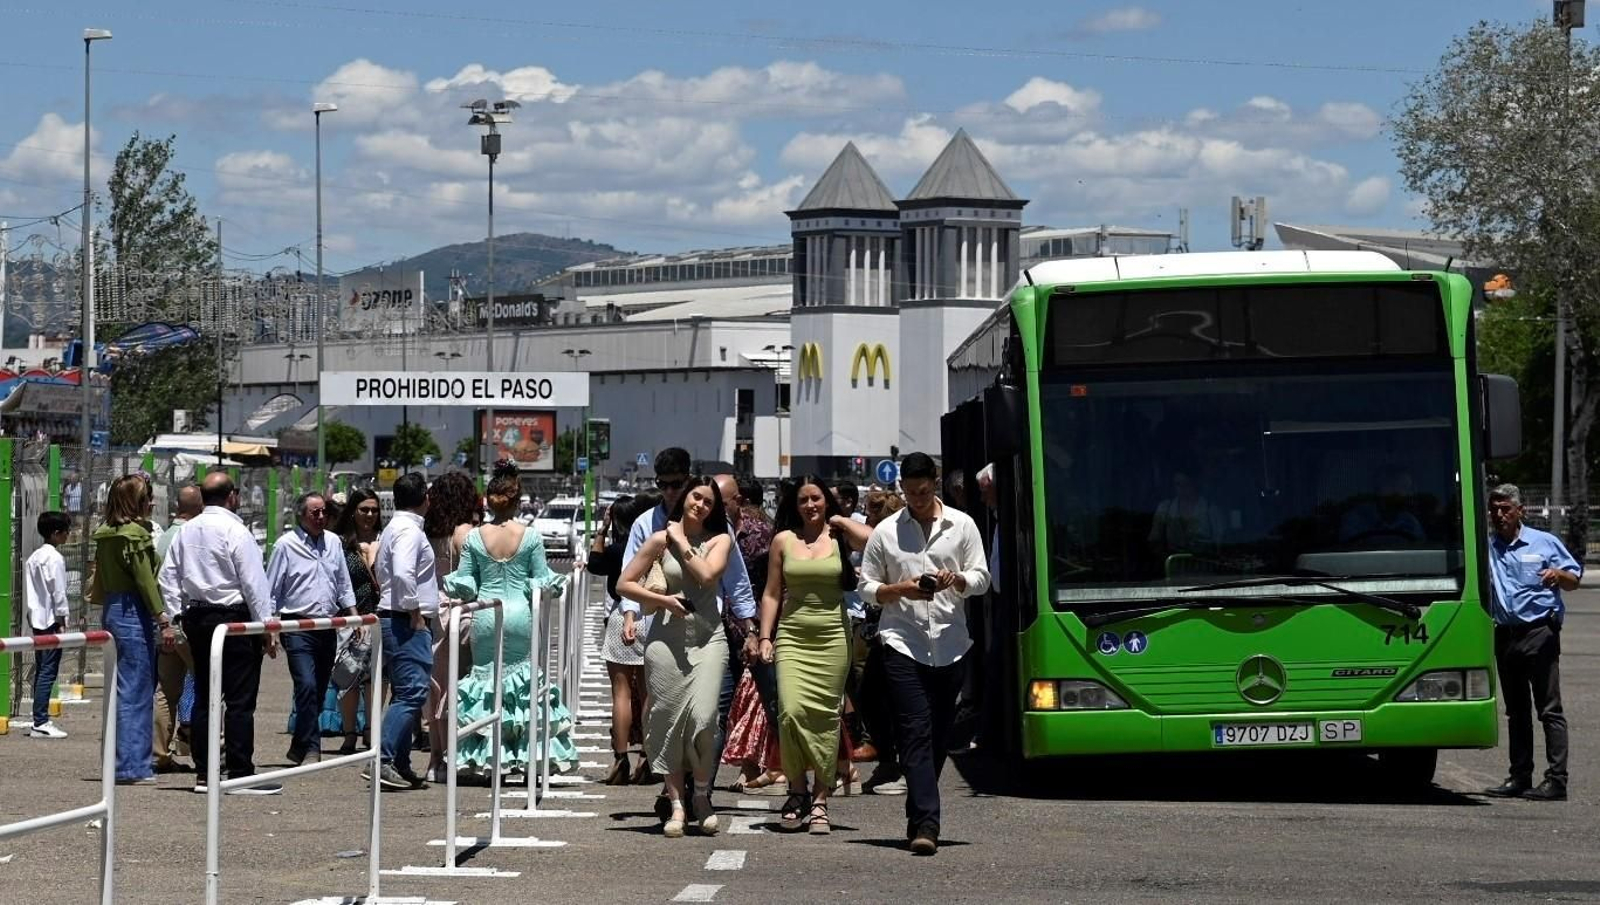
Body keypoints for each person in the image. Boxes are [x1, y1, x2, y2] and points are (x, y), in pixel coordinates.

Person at [860, 452, 990, 855]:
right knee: (914, 732)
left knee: (936, 738)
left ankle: (919, 809)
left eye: (923, 491)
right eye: (909, 492)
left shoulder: (962, 525)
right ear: (901, 487)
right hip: (903, 641)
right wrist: (901, 589)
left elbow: (983, 578)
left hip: (951, 644)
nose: (916, 499)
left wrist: (959, 580)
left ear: (933, 484)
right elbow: (866, 586)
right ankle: (927, 825)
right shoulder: (885, 532)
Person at [619, 449, 759, 820]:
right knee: (664, 717)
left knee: (704, 717)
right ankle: (677, 801)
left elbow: (726, 580)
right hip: (663, 637)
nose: (697, 503)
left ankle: (701, 792)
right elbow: (626, 581)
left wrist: (750, 628)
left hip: (709, 637)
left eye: (707, 500)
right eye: (693, 496)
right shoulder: (649, 529)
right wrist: (642, 609)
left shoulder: (719, 537)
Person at [444, 461, 572, 778]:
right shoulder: (529, 537)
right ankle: (526, 756)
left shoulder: (474, 537)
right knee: (524, 684)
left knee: (485, 682)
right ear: (517, 499)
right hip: (520, 615)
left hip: (486, 613)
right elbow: (543, 580)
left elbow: (467, 584)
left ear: (488, 500)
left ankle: (490, 757)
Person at [158, 473, 279, 794]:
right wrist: (266, 627)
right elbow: (254, 583)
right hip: (234, 619)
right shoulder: (236, 531)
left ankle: (204, 772)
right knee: (240, 699)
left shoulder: (187, 531)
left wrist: (175, 615)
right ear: (233, 496)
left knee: (205, 696)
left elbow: (168, 577)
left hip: (197, 617)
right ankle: (240, 771)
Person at [757, 476, 862, 834]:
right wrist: (766, 636)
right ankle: (796, 788)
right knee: (790, 712)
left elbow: (876, 542)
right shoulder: (783, 541)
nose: (810, 506)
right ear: (794, 505)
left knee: (826, 719)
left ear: (827, 501)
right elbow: (772, 593)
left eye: (816, 498)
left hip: (833, 637)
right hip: (793, 636)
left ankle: (819, 799)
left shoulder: (838, 536)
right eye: (803, 500)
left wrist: (843, 521)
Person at [1483, 484, 1580, 802]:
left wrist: (1557, 574)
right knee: (1517, 711)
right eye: (1494, 508)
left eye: (1505, 508)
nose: (1499, 514)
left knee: (1549, 709)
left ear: (1520, 510)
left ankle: (1557, 780)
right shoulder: (1487, 548)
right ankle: (1520, 775)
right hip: (1505, 635)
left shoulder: (1544, 542)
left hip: (1540, 633)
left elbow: (1574, 580)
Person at [267, 492, 358, 765]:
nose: (320, 518)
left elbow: (343, 582)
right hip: (297, 626)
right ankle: (311, 748)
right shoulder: (286, 545)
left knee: (318, 690)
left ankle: (299, 743)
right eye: (314, 513)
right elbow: (272, 589)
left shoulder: (333, 543)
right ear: (301, 515)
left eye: (323, 513)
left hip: (327, 625)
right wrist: (271, 628)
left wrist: (354, 616)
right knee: (305, 685)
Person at [92, 476, 171, 784]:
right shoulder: (135, 534)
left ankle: (120, 760)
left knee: (121, 689)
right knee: (137, 691)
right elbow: (145, 580)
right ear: (136, 501)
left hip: (112, 607)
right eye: (147, 497)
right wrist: (162, 617)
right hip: (133, 610)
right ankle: (133, 765)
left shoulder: (106, 533)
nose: (151, 503)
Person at [372, 472, 437, 790]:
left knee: (404, 692)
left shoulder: (393, 528)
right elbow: (402, 573)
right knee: (413, 691)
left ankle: (399, 761)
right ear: (424, 498)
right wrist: (416, 614)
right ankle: (382, 760)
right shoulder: (408, 531)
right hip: (405, 619)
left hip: (395, 615)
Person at [587, 493, 652, 784]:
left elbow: (594, 563)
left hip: (619, 615)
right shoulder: (650, 547)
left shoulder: (615, 550)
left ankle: (620, 758)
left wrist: (602, 529)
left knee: (621, 693)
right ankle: (648, 757)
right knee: (649, 693)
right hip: (650, 616)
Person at [858, 489, 907, 793]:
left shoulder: (889, 536)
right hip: (879, 627)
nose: (865, 516)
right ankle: (889, 761)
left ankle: (901, 766)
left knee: (895, 698)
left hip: (899, 628)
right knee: (870, 694)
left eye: (870, 511)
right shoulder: (883, 536)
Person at [152, 484, 202, 773]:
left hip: (164, 622)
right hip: (187, 621)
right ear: (198, 507)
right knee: (208, 683)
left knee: (165, 690)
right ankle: (206, 749)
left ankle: (159, 753)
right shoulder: (191, 537)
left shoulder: (164, 537)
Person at [329, 488, 383, 754]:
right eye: (364, 509)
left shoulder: (386, 540)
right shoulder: (338, 543)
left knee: (376, 678)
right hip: (348, 618)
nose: (370, 515)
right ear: (352, 512)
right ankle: (349, 733)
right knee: (347, 676)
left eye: (374, 510)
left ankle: (371, 732)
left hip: (380, 616)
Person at [25, 510, 72, 739]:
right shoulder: (54, 558)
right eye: (65, 531)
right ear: (55, 534)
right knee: (48, 671)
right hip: (51, 620)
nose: (67, 535)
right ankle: (40, 720)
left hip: (37, 618)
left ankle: (38, 717)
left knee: (41, 669)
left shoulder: (34, 557)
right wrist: (63, 618)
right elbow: (59, 591)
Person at [1147, 470, 1226, 557]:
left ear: (1195, 483)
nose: (1182, 488)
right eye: (1178, 484)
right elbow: (1154, 540)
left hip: (1203, 566)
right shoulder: (1164, 508)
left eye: (1186, 484)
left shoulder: (1211, 511)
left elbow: (1220, 546)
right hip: (1171, 566)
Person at [1339, 469, 1425, 543]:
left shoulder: (1411, 522)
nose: (1397, 492)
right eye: (1391, 485)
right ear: (1377, 489)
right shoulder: (1356, 519)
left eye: (1404, 487)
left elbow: (1423, 554)